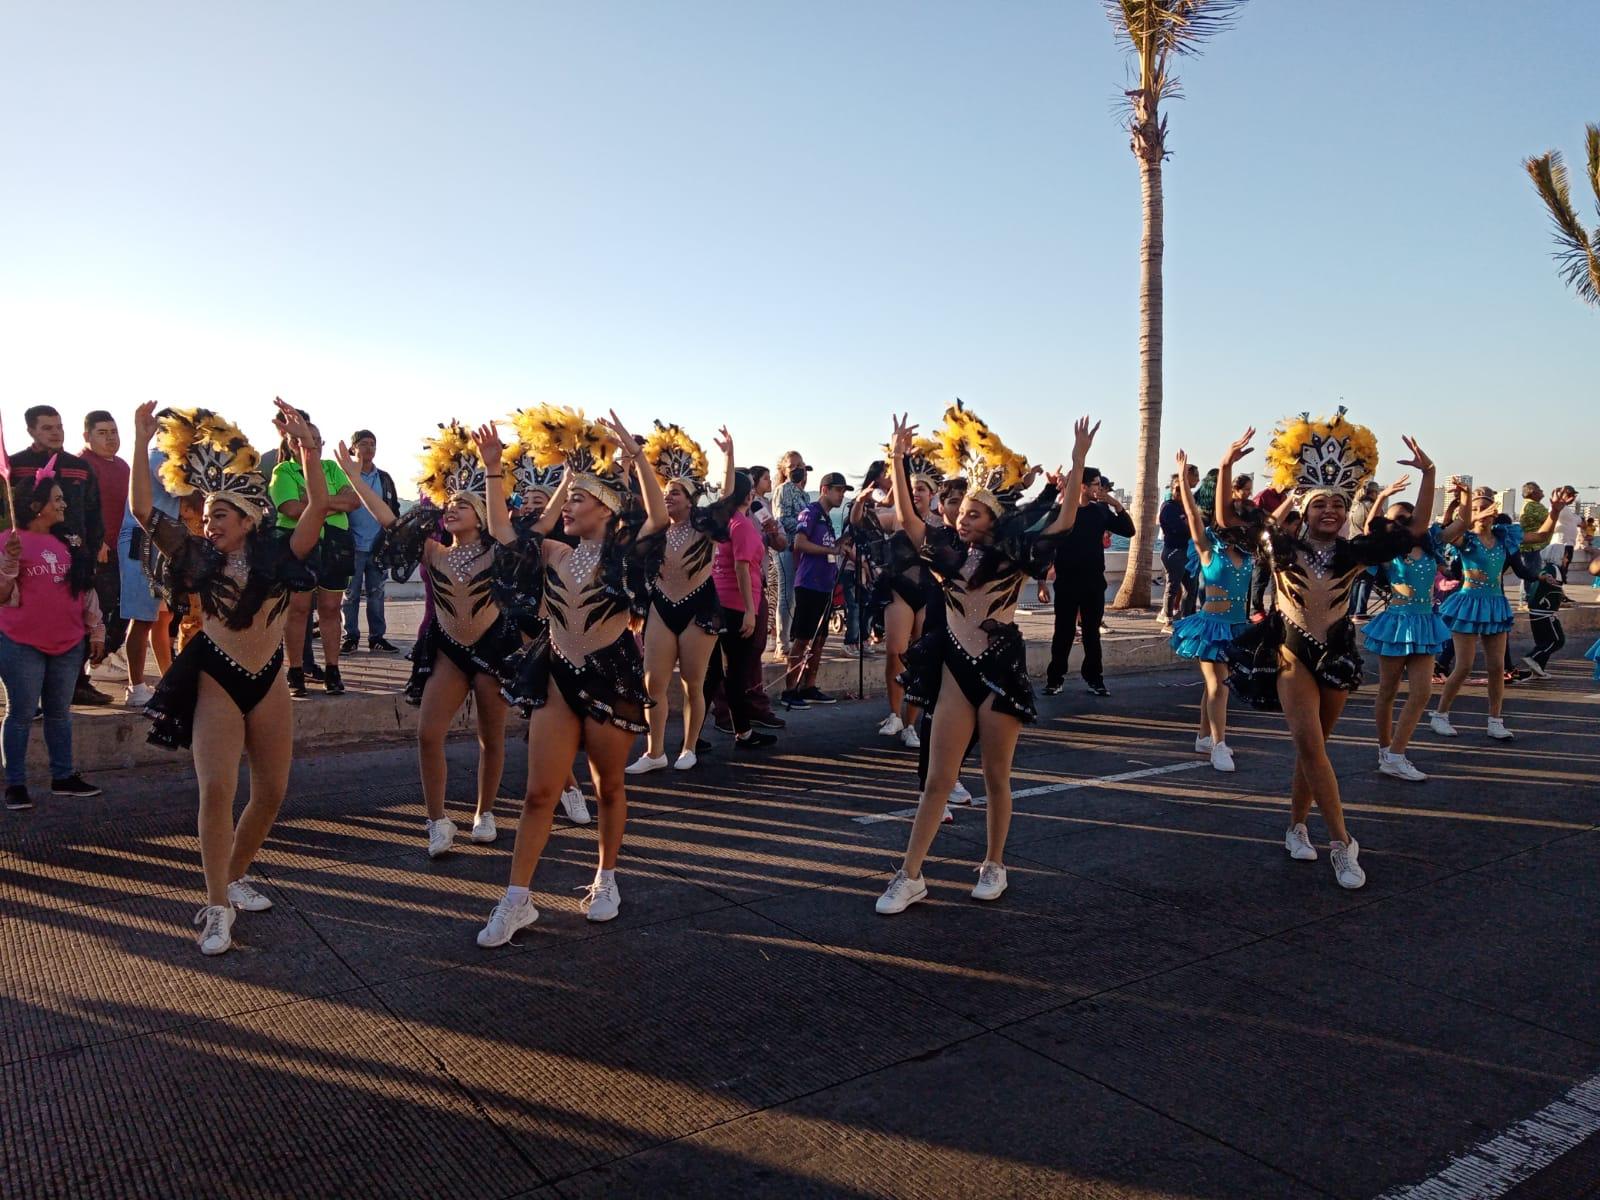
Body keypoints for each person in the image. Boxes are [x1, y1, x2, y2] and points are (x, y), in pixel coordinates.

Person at [876, 405, 1093, 915]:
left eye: (973, 513)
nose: (961, 518)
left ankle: (994, 863)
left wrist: (1078, 459)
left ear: (994, 519)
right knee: (937, 780)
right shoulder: (948, 555)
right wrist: (899, 460)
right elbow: (909, 521)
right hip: (954, 674)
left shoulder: (1016, 555)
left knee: (997, 777)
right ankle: (910, 875)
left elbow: (1064, 520)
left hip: (999, 671)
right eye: (960, 512)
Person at [131, 399, 329, 956]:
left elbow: (316, 505)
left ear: (248, 520)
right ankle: (216, 905)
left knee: (271, 792)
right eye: (209, 514)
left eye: (221, 515)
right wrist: (140, 438)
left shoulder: (281, 552)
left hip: (268, 679)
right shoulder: (197, 556)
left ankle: (235, 873)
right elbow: (145, 512)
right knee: (217, 789)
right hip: (216, 676)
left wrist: (309, 447)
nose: (209, 522)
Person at [479, 407, 666, 946]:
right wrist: (494, 470)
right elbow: (500, 531)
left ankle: (605, 879)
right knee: (539, 793)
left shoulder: (625, 555)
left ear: (605, 511)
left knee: (610, 787)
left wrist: (636, 458)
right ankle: (517, 900)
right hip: (557, 675)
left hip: (611, 676)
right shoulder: (556, 552)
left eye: (578, 500)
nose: (568, 508)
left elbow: (655, 518)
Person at [1223, 414, 1428, 891]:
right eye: (1320, 504)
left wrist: (1429, 474)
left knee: (1312, 751)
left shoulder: (1354, 553)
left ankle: (1296, 826)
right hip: (1291, 658)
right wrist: (1227, 465)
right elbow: (1228, 521)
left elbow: (1414, 529)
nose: (1330, 511)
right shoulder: (1281, 549)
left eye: (1338, 503)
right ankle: (1342, 844)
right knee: (1312, 748)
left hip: (1336, 659)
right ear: (1305, 509)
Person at [335, 423, 527, 857]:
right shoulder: (433, 551)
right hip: (450, 650)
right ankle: (437, 820)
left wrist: (494, 470)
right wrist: (352, 476)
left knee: (491, 736)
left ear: (481, 517)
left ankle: (485, 812)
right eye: (451, 504)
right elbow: (388, 518)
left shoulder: (497, 551)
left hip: (492, 648)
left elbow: (503, 522)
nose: (452, 508)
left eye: (464, 505)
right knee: (427, 733)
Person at [626, 424, 737, 775]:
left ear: (690, 500)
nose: (669, 496)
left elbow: (727, 499)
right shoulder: (656, 529)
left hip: (698, 607)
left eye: (676, 493)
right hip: (662, 605)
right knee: (652, 681)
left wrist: (729, 457)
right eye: (666, 492)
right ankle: (654, 750)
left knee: (693, 680)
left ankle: (689, 746)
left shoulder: (704, 528)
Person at [0, 465, 106, 808]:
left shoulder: (70, 541)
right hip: (20, 643)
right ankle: (15, 784)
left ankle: (63, 777)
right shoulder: (8, 542)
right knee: (21, 712)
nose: (63, 505)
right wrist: (8, 563)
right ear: (36, 505)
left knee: (60, 712)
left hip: (69, 642)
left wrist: (97, 630)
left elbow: (86, 589)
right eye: (57, 499)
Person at [1430, 482, 1562, 741]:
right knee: (1464, 666)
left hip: (1494, 604)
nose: (1480, 512)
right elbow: (1441, 536)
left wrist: (1555, 511)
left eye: (1485, 508)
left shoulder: (1504, 536)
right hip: (1467, 603)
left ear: (1494, 511)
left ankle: (1495, 720)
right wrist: (1469, 511)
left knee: (1496, 667)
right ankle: (1440, 715)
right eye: (1475, 509)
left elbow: (1540, 537)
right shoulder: (1464, 538)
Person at [10, 406, 109, 705]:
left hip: (75, 554)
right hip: (30, 559)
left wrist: (91, 549)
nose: (56, 432)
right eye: (47, 428)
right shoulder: (15, 466)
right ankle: (32, 688)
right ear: (31, 431)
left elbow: (94, 511)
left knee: (79, 616)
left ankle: (77, 682)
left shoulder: (79, 466)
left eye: (59, 426)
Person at [1168, 446, 1257, 773]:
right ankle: (1219, 745)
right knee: (1218, 686)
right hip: (1210, 627)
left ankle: (1204, 736)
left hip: (1237, 627)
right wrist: (1183, 477)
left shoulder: (1248, 556)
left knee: (1217, 686)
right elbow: (1193, 516)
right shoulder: (1208, 550)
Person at [1359, 462, 1448, 782]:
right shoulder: (1388, 553)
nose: (1406, 522)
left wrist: (1432, 475)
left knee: (1422, 692)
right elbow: (1370, 529)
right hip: (1397, 623)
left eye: (1409, 517)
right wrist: (1382, 497)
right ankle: (1386, 749)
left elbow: (1444, 522)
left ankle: (1396, 753)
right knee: (1387, 690)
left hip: (1425, 622)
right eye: (1398, 518)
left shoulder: (1427, 548)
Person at [269, 411, 359, 696]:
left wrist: (317, 503)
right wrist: (330, 504)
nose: (314, 445)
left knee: (331, 609)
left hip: (336, 543)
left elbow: (353, 500)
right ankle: (295, 671)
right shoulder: (283, 471)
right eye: (308, 440)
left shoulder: (331, 468)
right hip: (298, 544)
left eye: (319, 440)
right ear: (293, 443)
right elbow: (291, 509)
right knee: (298, 610)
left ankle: (333, 669)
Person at [1042, 464, 1133, 697]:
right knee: (1063, 632)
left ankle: (1094, 677)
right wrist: (1042, 581)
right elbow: (1045, 545)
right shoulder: (1063, 511)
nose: (1100, 488)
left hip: (1093, 582)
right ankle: (1055, 678)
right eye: (1096, 484)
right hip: (1066, 582)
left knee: (1092, 633)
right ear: (1082, 486)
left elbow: (1128, 530)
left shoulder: (1100, 511)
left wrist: (1115, 504)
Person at [707, 470, 777, 751]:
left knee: (713, 673)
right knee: (735, 672)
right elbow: (742, 567)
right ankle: (743, 732)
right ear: (749, 495)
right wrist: (750, 610)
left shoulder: (721, 523)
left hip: (718, 602)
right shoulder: (743, 525)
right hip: (737, 604)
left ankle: (694, 736)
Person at [782, 471, 854, 709]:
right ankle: (790, 689)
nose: (841, 495)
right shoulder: (810, 512)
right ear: (825, 489)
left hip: (825, 585)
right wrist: (831, 551)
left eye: (844, 491)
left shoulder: (826, 518)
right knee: (803, 639)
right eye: (838, 490)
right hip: (809, 584)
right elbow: (799, 543)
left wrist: (841, 544)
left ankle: (809, 685)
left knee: (820, 639)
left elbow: (828, 547)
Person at [118, 447, 176, 706]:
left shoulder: (172, 457)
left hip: (163, 542)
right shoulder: (158, 458)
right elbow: (182, 486)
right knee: (142, 618)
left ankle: (168, 679)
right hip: (143, 542)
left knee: (162, 616)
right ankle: (136, 686)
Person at [339, 430, 401, 654]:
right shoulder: (343, 475)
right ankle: (351, 636)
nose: (369, 448)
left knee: (377, 593)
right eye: (364, 444)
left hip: (378, 546)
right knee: (350, 594)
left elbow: (394, 509)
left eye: (373, 444)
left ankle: (377, 637)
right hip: (351, 546)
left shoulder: (383, 478)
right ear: (353, 448)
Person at [80, 411, 130, 665]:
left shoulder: (122, 465)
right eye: (102, 433)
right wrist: (96, 541)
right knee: (99, 611)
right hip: (97, 552)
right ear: (87, 436)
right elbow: (76, 508)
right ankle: (94, 664)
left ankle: (104, 658)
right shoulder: (81, 464)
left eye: (114, 431)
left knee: (124, 609)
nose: (110, 438)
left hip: (123, 550)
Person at [774, 452, 810, 651]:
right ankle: (782, 641)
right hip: (786, 547)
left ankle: (792, 635)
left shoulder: (803, 493)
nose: (797, 469)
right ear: (784, 471)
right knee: (786, 594)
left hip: (801, 550)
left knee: (795, 596)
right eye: (792, 466)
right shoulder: (783, 490)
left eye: (800, 465)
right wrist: (804, 526)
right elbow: (782, 519)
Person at [1158, 464, 1200, 628]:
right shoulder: (1169, 507)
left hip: (1187, 551)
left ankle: (1187, 616)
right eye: (1176, 489)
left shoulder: (1187, 507)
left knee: (1191, 587)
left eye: (1181, 489)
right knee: (1173, 586)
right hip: (1174, 552)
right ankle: (1167, 615)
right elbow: (1182, 529)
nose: (1178, 493)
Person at [1345, 480, 1383, 619]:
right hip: (1368, 546)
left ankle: (1351, 610)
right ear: (1373, 493)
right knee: (1366, 580)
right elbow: (1378, 526)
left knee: (1356, 580)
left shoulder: (1355, 506)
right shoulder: (1372, 507)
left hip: (1353, 544)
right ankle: (1360, 611)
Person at [1546, 485, 1580, 581]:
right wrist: (1561, 502)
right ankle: (1554, 593)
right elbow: (1553, 511)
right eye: (1570, 494)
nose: (1573, 497)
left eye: (1574, 494)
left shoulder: (1568, 510)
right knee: (1557, 572)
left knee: (1562, 573)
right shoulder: (1559, 508)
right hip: (1560, 544)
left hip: (1568, 545)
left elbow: (1579, 521)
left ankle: (1558, 593)